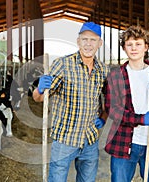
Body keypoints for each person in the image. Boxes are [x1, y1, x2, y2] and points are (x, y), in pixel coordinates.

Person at [33, 22, 109, 182]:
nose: (88, 44)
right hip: (65, 140)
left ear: (100, 43)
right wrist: (39, 90)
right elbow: (39, 99)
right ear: (78, 41)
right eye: (85, 39)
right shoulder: (63, 65)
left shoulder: (103, 70)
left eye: (93, 40)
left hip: (90, 139)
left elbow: (109, 100)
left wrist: (103, 117)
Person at [104, 25, 149, 182]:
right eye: (129, 44)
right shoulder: (115, 76)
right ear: (124, 48)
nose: (134, 48)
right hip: (123, 142)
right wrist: (140, 119)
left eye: (138, 44)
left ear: (146, 47)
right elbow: (112, 111)